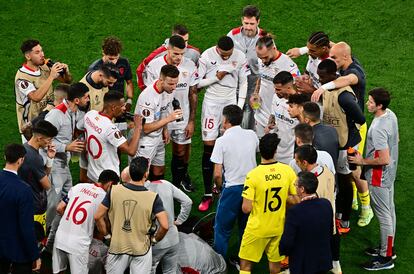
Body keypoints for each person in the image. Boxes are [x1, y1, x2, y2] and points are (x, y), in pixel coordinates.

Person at [312, 41, 370, 217]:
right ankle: (350, 199)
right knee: (346, 172)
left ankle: (366, 207)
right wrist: (308, 49)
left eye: (334, 58)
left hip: (354, 127)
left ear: (345, 57)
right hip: (343, 122)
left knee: (353, 169)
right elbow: (335, 46)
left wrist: (323, 87)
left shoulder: (354, 73)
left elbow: (347, 81)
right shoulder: (345, 60)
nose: (332, 60)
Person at [197, 35, 249, 211]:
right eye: (223, 55)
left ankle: (225, 185)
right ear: (217, 49)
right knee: (209, 147)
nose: (227, 57)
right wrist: (216, 77)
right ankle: (207, 193)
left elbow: (243, 82)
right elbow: (197, 83)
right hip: (211, 103)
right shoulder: (206, 56)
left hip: (230, 101)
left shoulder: (240, 56)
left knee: (228, 144)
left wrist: (239, 106)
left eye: (229, 54)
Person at [348, 88, 398, 271]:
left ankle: (386, 258)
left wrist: (363, 161)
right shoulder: (390, 115)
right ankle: (388, 248)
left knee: (384, 216)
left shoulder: (378, 128)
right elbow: (396, 140)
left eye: (370, 102)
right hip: (390, 172)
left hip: (379, 176)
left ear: (379, 105)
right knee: (389, 211)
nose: (367, 104)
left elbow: (383, 158)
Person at [143, 35, 199, 192]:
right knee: (156, 155)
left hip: (182, 117)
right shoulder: (155, 67)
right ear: (168, 49)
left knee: (180, 151)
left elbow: (193, 93)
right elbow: (152, 94)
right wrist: (164, 124)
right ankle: (152, 190)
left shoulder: (189, 66)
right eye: (175, 54)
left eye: (182, 54)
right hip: (159, 119)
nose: (179, 58)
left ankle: (176, 186)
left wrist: (192, 121)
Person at [94, 157, 169, 274]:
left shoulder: (113, 190)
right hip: (141, 249)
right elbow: (164, 226)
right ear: (146, 174)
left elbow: (98, 216)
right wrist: (154, 240)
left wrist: (107, 236)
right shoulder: (153, 197)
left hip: (117, 245)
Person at [239, 133, 298, 274]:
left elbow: (246, 208)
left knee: (245, 265)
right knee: (275, 266)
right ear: (275, 151)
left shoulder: (253, 175)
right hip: (278, 227)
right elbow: (296, 200)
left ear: (260, 150)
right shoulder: (287, 171)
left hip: (257, 228)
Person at [121, 166, 192, 274]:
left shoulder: (136, 196)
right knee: (170, 271)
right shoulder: (165, 183)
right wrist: (179, 221)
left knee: (149, 270)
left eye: (124, 182)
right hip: (173, 238)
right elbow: (187, 202)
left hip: (155, 242)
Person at [210, 105, 259, 258]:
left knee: (222, 229)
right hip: (251, 189)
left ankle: (219, 264)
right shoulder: (252, 134)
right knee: (245, 227)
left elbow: (217, 174)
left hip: (232, 190)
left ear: (225, 121)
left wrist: (219, 188)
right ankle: (241, 260)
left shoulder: (221, 141)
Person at [52, 170, 119, 274]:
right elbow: (99, 220)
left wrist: (70, 220)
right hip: (79, 243)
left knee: (59, 271)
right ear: (110, 184)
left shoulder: (78, 187)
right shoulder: (104, 197)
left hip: (60, 237)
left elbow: (60, 208)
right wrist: (107, 236)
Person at [44, 82, 89, 230]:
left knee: (69, 196)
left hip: (64, 162)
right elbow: (44, 141)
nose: (88, 99)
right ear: (77, 100)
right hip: (54, 163)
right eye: (86, 97)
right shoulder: (57, 114)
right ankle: (45, 233)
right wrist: (66, 147)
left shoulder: (74, 111)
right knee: (53, 201)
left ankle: (60, 228)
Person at [293, 145, 341, 273]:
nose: (296, 164)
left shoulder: (312, 185)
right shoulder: (326, 170)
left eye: (297, 161)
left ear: (304, 162)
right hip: (329, 217)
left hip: (316, 226)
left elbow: (305, 208)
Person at [15, 39, 72, 142]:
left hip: (48, 116)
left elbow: (67, 81)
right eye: (37, 52)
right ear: (28, 56)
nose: (42, 54)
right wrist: (51, 77)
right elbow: (36, 97)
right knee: (35, 155)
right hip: (31, 126)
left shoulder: (44, 66)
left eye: (41, 51)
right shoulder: (22, 78)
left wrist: (65, 72)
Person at [134, 64, 183, 180]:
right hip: (145, 140)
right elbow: (145, 128)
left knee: (159, 169)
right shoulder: (148, 97)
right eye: (171, 84)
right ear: (161, 80)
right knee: (140, 174)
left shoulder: (169, 90)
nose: (174, 87)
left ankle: (155, 195)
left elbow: (163, 109)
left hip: (158, 136)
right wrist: (169, 119)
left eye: (176, 83)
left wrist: (165, 128)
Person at [280, 172, 333, 274]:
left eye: (296, 185)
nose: (295, 187)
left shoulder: (295, 211)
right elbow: (329, 231)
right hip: (323, 259)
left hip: (303, 263)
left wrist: (283, 251)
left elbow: (287, 241)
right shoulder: (326, 204)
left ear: (302, 189)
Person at [84, 91, 142, 182]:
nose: (124, 109)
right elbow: (131, 151)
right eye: (122, 106)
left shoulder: (90, 115)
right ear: (113, 108)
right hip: (108, 178)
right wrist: (138, 127)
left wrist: (125, 126)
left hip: (92, 173)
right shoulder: (109, 128)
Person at [0, 144, 41, 273]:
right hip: (17, 250)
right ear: (21, 160)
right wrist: (35, 255)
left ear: (5, 157)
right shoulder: (24, 190)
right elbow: (26, 227)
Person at [253, 34, 300, 139]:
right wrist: (255, 93)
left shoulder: (288, 65)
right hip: (260, 112)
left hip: (278, 117)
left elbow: (297, 90)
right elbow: (260, 77)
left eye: (265, 57)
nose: (263, 61)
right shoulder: (261, 59)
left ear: (273, 49)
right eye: (260, 58)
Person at [18, 120, 58, 236]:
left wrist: (50, 159)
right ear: (39, 138)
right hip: (35, 208)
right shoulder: (35, 158)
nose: (50, 142)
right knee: (35, 242)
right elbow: (47, 185)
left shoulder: (24, 149)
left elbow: (40, 174)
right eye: (49, 139)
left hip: (25, 204)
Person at [227, 5, 263, 129]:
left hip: (254, 83)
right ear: (242, 20)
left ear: (258, 21)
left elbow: (268, 65)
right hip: (234, 81)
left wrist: (257, 90)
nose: (248, 27)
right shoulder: (232, 34)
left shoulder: (265, 38)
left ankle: (247, 138)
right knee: (231, 111)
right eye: (246, 23)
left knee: (250, 112)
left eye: (252, 24)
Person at [89, 36, 135, 135]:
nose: (114, 62)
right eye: (110, 59)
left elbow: (129, 82)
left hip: (120, 107)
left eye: (116, 58)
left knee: (120, 137)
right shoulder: (95, 69)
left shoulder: (124, 63)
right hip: (105, 109)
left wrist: (129, 100)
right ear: (103, 52)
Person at [136, 24, 200, 91]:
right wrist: (145, 90)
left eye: (186, 41)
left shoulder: (194, 53)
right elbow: (141, 70)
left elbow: (200, 72)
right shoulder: (158, 54)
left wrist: (195, 89)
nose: (184, 44)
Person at [265, 72, 299, 164]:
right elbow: (273, 114)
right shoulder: (276, 97)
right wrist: (270, 124)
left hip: (291, 154)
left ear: (288, 88)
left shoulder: (300, 104)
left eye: (278, 89)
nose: (276, 91)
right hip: (276, 149)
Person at [302, 102, 339, 169]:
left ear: (306, 120)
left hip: (319, 175)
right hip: (333, 175)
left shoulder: (310, 137)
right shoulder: (332, 130)